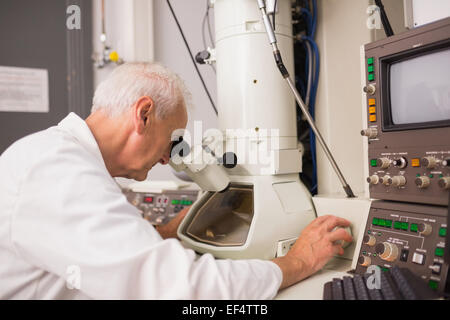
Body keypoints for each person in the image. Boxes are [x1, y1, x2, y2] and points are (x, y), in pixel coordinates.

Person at [0, 62, 352, 299]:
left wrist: (163, 235)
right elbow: (180, 288)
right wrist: (297, 262)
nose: (169, 157)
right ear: (144, 114)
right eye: (173, 139)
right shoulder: (59, 169)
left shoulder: (59, 157)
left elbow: (87, 249)